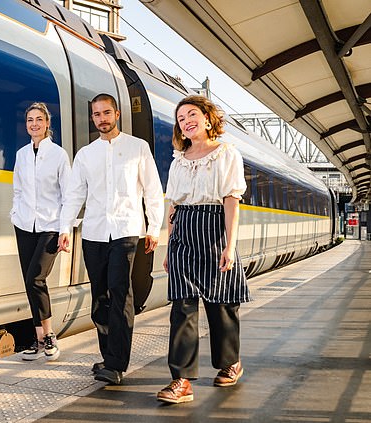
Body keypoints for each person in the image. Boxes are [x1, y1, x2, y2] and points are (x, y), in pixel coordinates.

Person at [58, 93, 164, 385]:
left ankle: (117, 363)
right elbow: (75, 194)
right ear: (92, 118)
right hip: (94, 232)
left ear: (117, 114)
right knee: (100, 296)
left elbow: (152, 190)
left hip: (126, 231)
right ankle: (107, 357)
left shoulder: (137, 148)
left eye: (106, 113)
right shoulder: (85, 154)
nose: (101, 119)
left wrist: (154, 227)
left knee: (120, 292)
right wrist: (64, 228)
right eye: (96, 114)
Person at [156, 95, 252, 404]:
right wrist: (169, 246)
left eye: (192, 114)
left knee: (221, 304)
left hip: (214, 229)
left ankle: (230, 363)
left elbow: (231, 202)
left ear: (208, 118)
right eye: (181, 117)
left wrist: (230, 245)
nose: (186, 120)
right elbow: (173, 205)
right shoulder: (178, 158)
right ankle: (181, 380)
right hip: (183, 229)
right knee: (181, 308)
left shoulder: (227, 154)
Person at [11, 102, 71, 361]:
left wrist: (65, 228)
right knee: (29, 281)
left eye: (38, 119)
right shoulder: (21, 154)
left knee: (36, 277)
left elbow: (68, 194)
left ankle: (49, 336)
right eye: (29, 120)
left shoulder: (59, 155)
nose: (34, 124)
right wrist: (15, 213)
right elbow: (18, 189)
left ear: (47, 124)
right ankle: (38, 341)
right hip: (24, 224)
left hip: (50, 226)